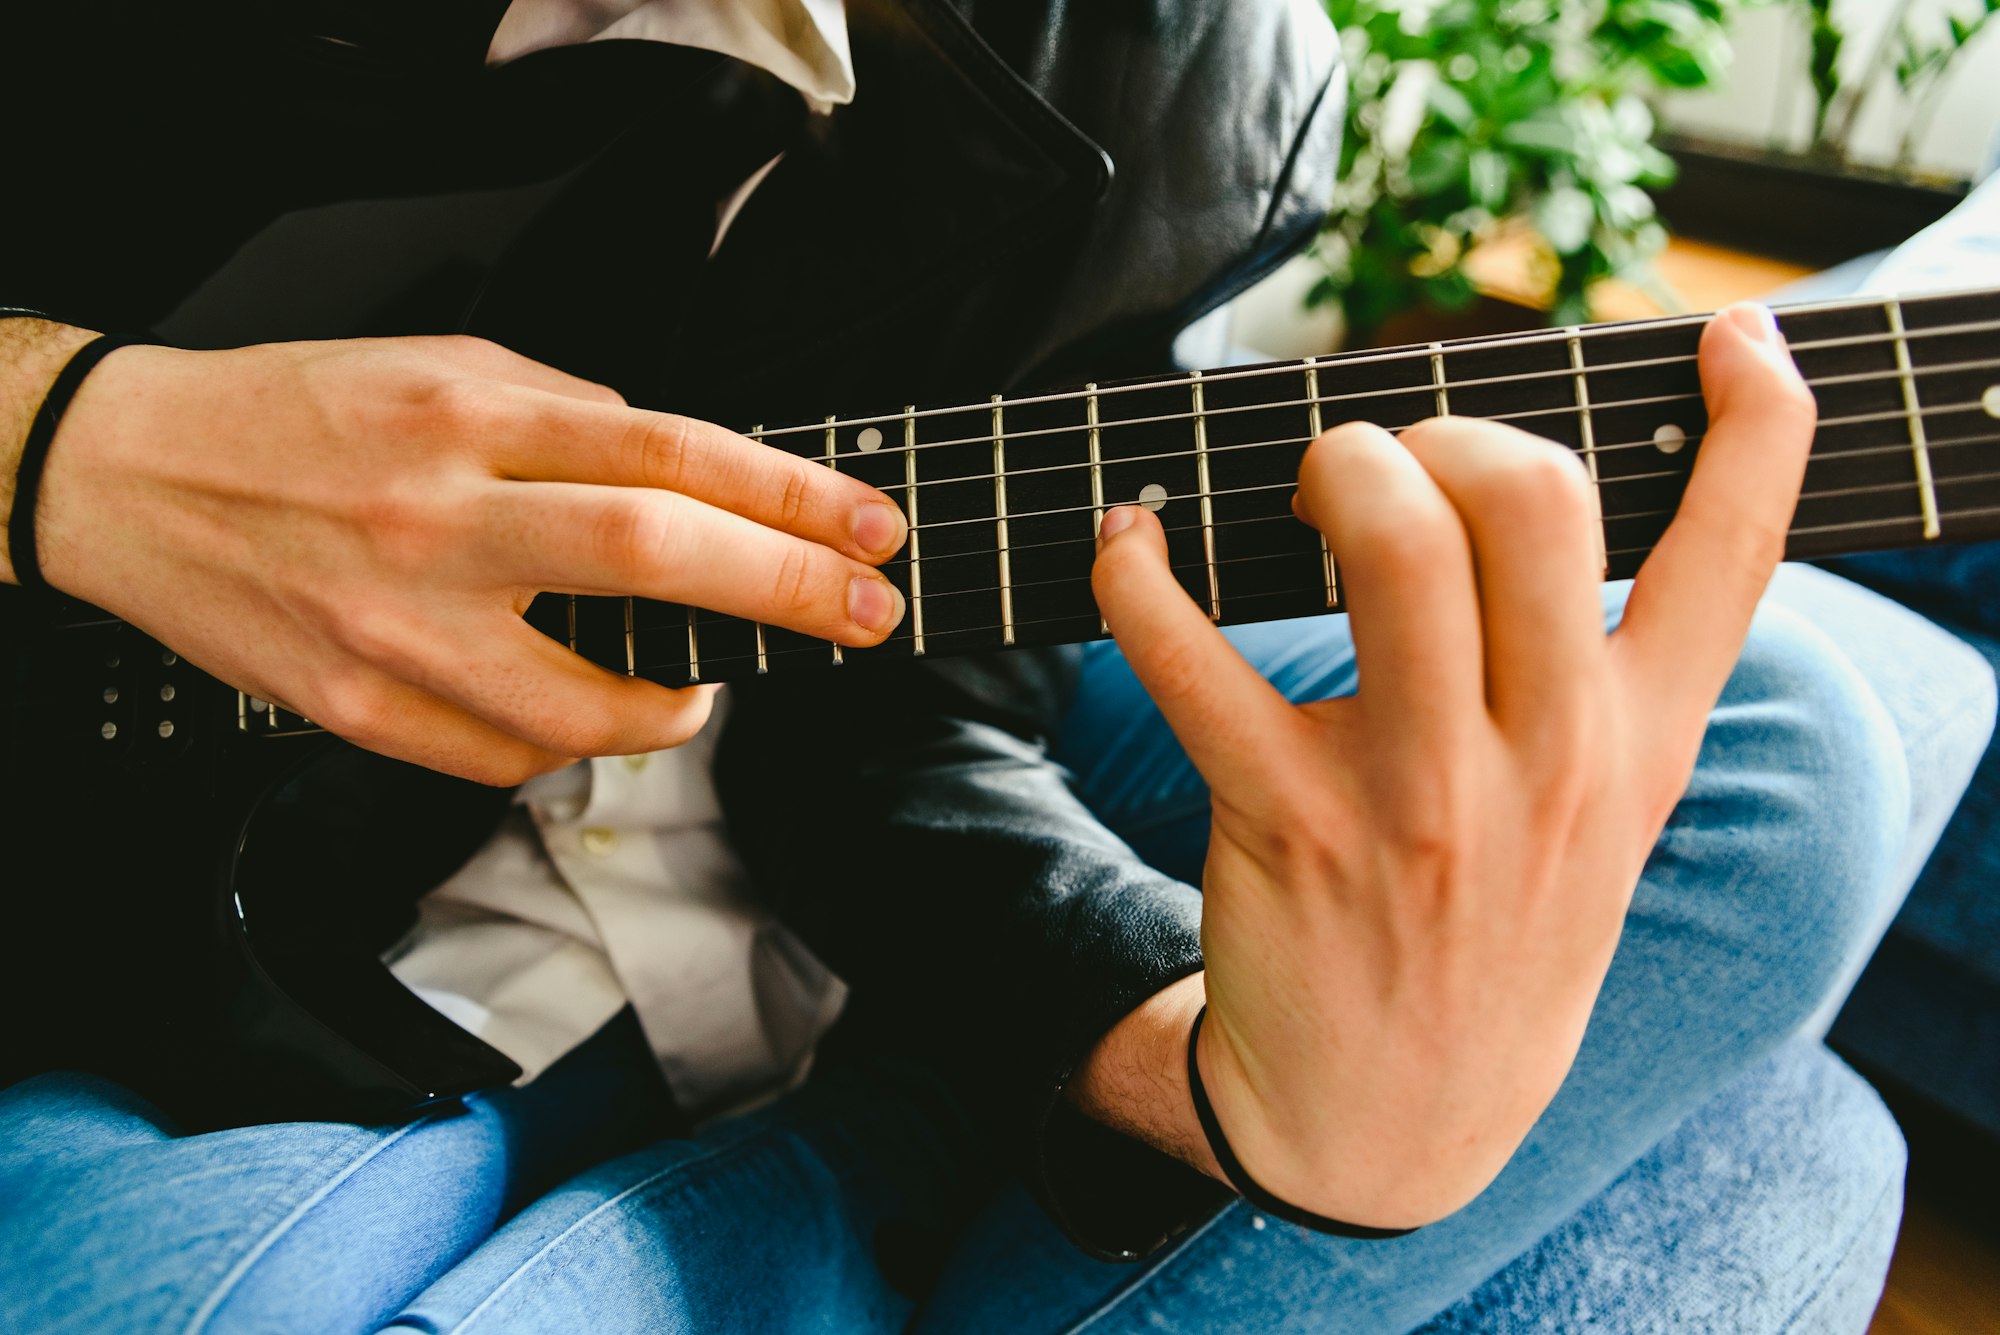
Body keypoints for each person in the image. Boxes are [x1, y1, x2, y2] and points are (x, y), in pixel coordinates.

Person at [0, 1, 1988, 1331]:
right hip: (181, 991)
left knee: (1796, 751)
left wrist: (1205, 1070)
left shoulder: (1198, 59)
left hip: (698, 831)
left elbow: (904, 669)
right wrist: (61, 442)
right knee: (1786, 1160)